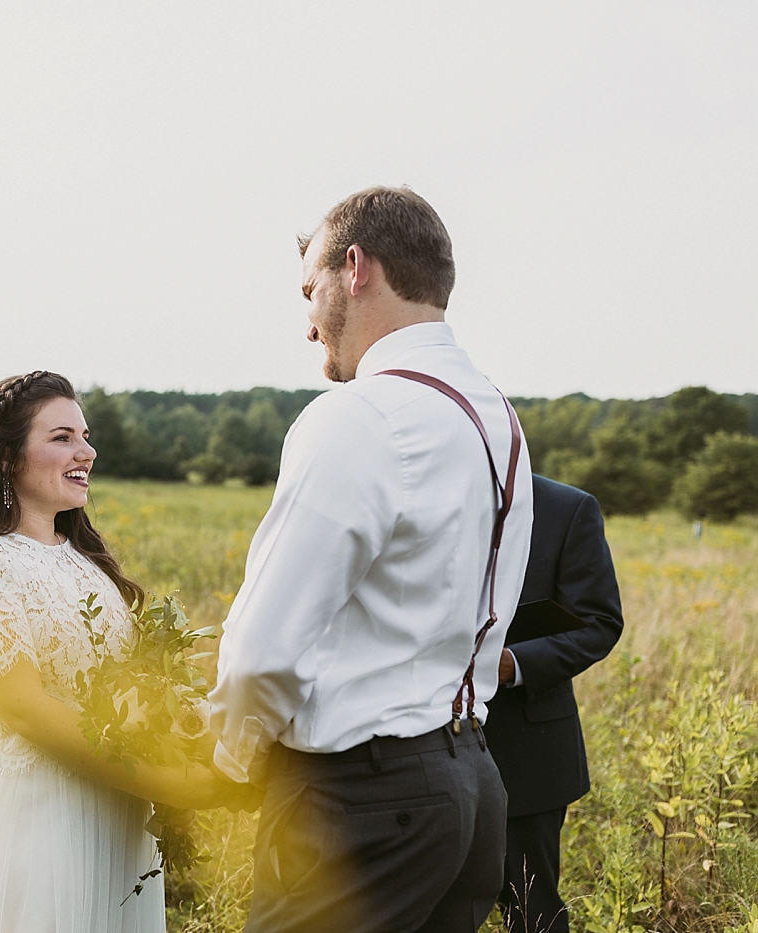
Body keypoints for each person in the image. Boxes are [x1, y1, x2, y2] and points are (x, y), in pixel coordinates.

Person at [209, 186, 534, 932]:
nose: (308, 325)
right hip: (471, 783)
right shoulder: (496, 416)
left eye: (309, 291)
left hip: (358, 797)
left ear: (355, 267)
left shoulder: (361, 416)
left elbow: (262, 649)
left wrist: (229, 758)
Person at [0, 371, 239, 933]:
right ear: (8, 457)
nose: (86, 450)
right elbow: (24, 709)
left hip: (115, 814)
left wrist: (191, 739)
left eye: (84, 436)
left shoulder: (88, 564)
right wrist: (167, 782)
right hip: (35, 816)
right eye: (61, 437)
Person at [485, 474, 624, 933]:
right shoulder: (412, 495)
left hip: (526, 751)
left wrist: (512, 663)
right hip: (414, 749)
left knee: (532, 912)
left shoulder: (568, 507)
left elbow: (599, 623)